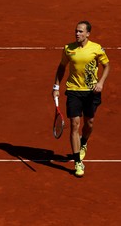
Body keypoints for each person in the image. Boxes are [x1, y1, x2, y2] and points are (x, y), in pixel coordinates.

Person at [52, 21, 110, 177]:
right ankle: (78, 161)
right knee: (74, 124)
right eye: (76, 31)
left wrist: (101, 82)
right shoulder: (68, 49)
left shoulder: (96, 49)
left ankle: (83, 142)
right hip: (73, 91)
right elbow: (61, 67)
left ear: (88, 34)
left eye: (80, 31)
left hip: (92, 92)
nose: (77, 34)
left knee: (89, 123)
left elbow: (107, 66)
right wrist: (56, 87)